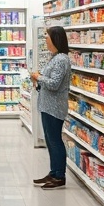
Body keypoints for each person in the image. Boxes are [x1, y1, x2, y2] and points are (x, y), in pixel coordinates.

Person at [30, 26, 72, 190]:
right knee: (50, 140)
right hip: (48, 105)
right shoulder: (55, 58)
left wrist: (38, 77)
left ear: (55, 38)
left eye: (47, 36)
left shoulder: (61, 59)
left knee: (55, 141)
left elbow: (54, 84)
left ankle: (59, 176)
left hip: (55, 107)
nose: (45, 39)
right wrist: (39, 80)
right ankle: (53, 172)